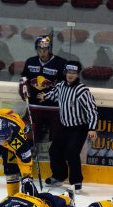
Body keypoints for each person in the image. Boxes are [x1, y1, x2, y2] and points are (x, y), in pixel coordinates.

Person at [37, 61, 98, 193]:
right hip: (64, 126)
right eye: (69, 72)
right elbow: (53, 94)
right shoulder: (60, 86)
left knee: (71, 153)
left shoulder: (82, 90)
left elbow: (92, 110)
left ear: (77, 74)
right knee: (54, 151)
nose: (71, 75)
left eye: (74, 73)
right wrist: (44, 96)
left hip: (79, 128)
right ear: (65, 73)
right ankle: (59, 176)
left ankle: (76, 182)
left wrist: (92, 128)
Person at [0, 108, 37, 196]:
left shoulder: (19, 139)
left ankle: (13, 197)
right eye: (0, 140)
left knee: (11, 170)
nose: (2, 143)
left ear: (10, 133)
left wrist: (26, 178)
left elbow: (25, 161)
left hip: (11, 142)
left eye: (5, 140)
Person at [19, 35, 67, 143]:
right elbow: (24, 77)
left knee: (57, 138)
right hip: (34, 106)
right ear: (36, 49)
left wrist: (50, 95)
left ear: (49, 49)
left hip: (55, 108)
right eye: (40, 50)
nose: (42, 53)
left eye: (45, 49)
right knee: (29, 136)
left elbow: (64, 85)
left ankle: (56, 159)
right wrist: (23, 86)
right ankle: (28, 157)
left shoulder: (61, 63)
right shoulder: (30, 62)